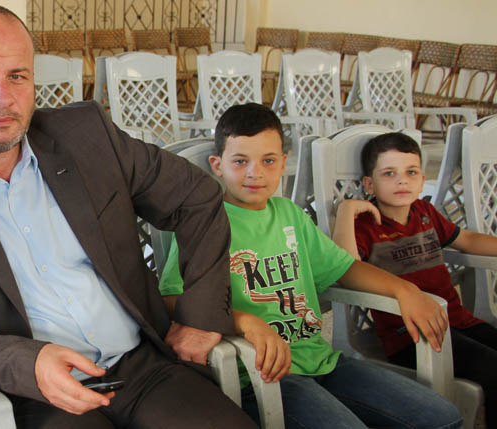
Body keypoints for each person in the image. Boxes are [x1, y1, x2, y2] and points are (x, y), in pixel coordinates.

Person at [0, 4, 255, 428]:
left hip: (144, 370)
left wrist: (200, 317)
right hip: (37, 397)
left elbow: (196, 197)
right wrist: (24, 363)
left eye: (17, 76)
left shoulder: (85, 136)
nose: (2, 97)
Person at [159, 103, 462, 428]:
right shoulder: (206, 223)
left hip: (321, 359)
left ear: (283, 163)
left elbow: (343, 268)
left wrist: (404, 290)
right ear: (217, 166)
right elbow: (172, 298)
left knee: (443, 418)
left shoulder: (289, 214)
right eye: (240, 161)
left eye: (268, 161)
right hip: (260, 375)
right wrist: (245, 321)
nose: (254, 173)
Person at [332, 131, 497, 428]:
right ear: (369, 184)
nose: (402, 181)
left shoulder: (425, 212)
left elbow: (469, 240)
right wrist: (346, 210)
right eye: (389, 173)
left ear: (422, 180)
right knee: (492, 368)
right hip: (411, 335)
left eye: (410, 173)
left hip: (457, 320)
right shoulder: (365, 226)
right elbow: (346, 269)